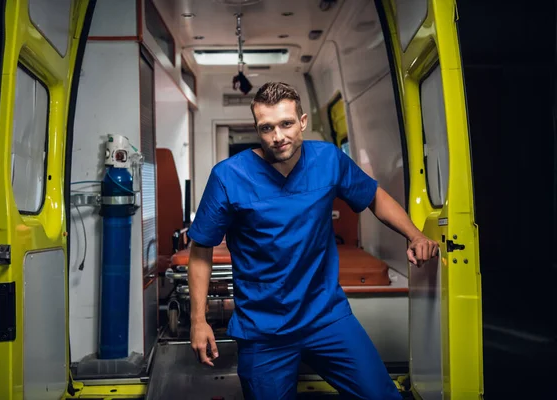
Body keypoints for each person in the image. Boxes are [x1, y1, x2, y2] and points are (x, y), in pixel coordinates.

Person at [187, 82, 438, 399]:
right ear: (256, 128)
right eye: (267, 128)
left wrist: (414, 234)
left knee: (382, 395)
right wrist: (198, 321)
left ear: (302, 121)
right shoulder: (228, 176)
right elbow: (200, 250)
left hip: (325, 317)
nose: (277, 137)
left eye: (286, 124)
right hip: (264, 330)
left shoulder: (328, 159)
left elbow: (374, 195)